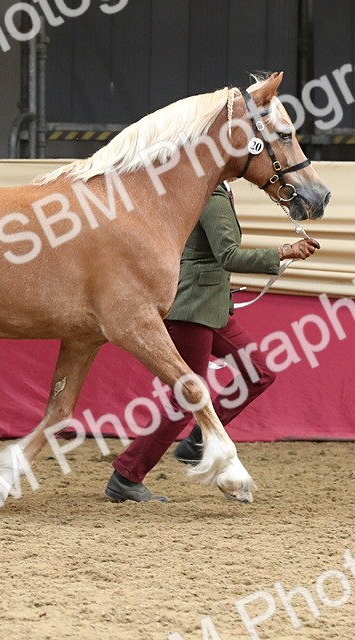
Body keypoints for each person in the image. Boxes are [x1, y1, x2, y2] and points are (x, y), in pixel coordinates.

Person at [105, 180, 320, 503]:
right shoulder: (210, 192)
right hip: (194, 305)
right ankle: (127, 474)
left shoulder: (213, 190)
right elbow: (228, 255)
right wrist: (284, 251)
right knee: (187, 396)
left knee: (257, 371)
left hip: (211, 304)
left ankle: (199, 442)